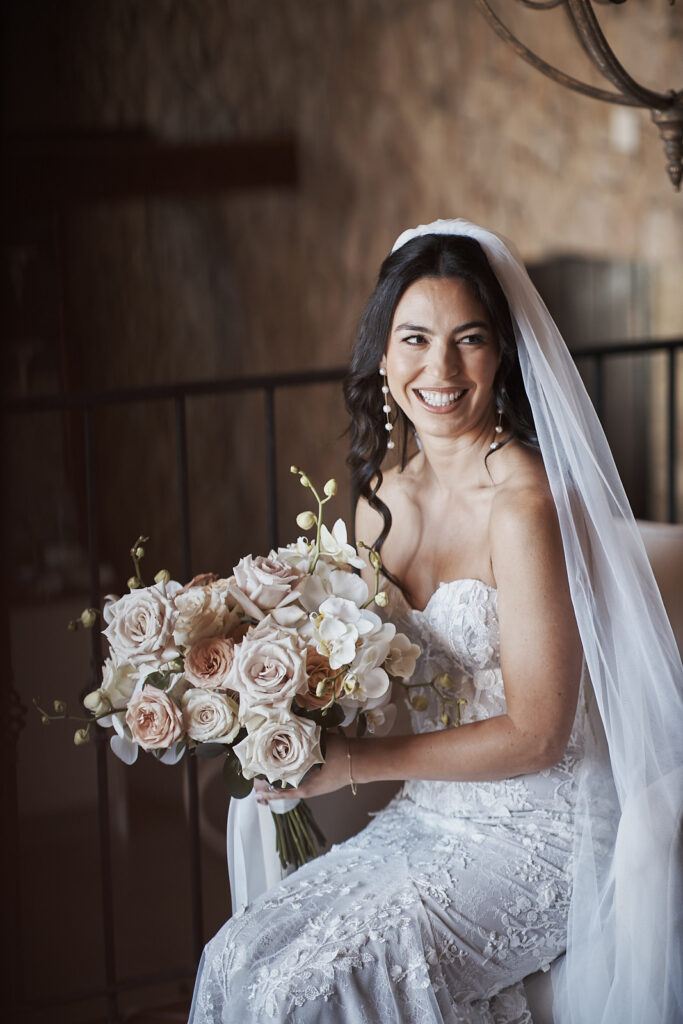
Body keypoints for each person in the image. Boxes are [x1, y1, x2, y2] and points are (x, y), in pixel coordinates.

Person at [189, 220, 682, 1024]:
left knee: (308, 992)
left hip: (538, 836)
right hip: (428, 816)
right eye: (414, 338)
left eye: (469, 339)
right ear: (382, 356)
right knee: (234, 957)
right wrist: (280, 713)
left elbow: (536, 735)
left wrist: (353, 765)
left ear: (503, 355)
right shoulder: (382, 498)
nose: (440, 369)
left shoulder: (524, 505)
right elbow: (375, 679)